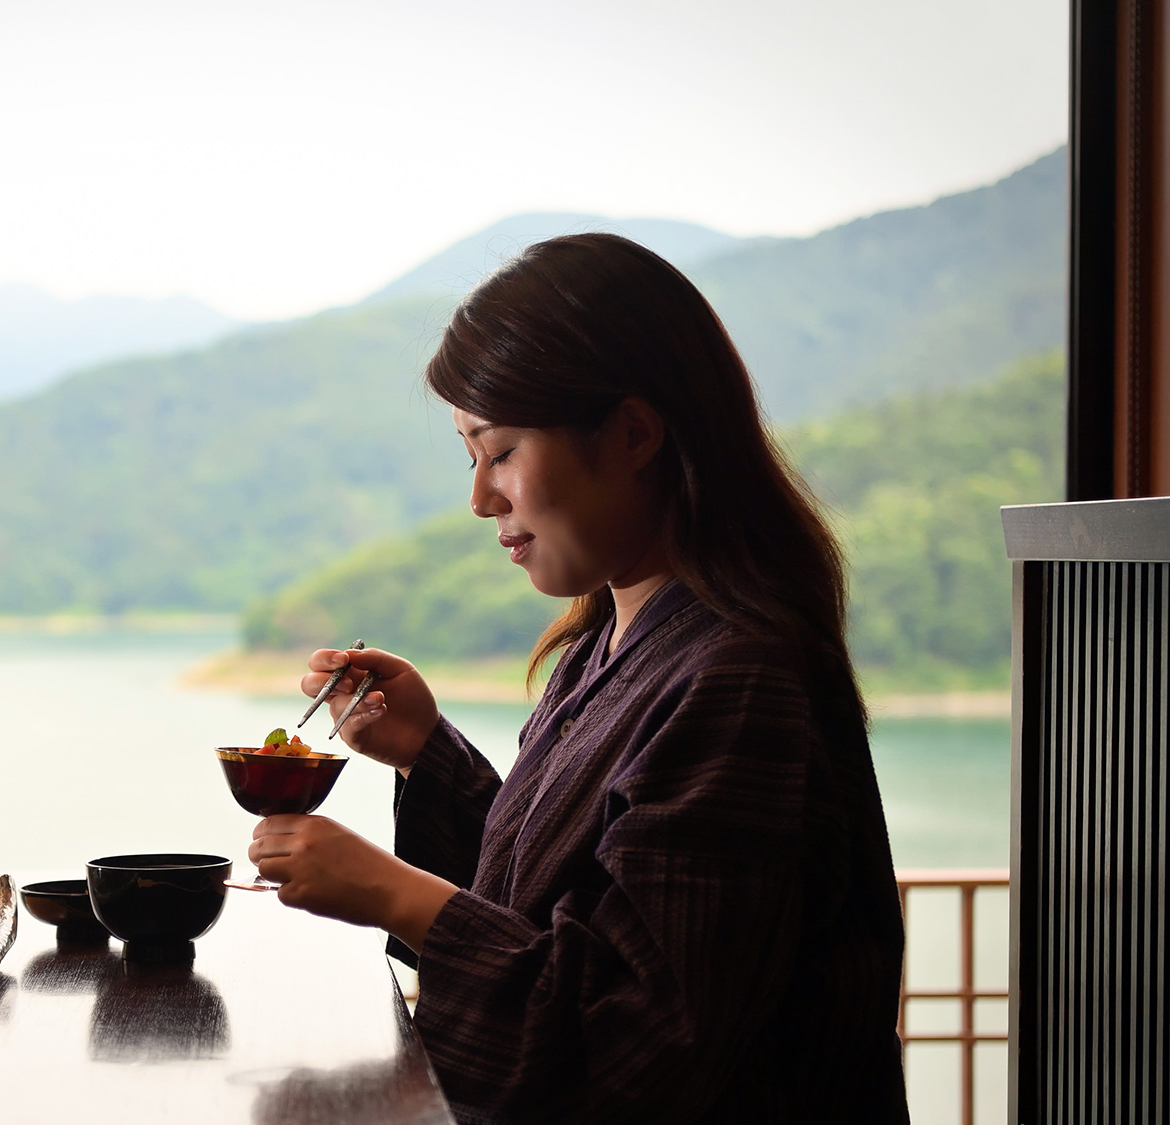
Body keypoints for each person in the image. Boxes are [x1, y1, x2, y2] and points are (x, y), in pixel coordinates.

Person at [248, 233, 908, 1123]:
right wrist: (424, 754)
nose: (481, 496)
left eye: (502, 450)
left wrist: (393, 895)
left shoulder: (739, 678)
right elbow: (560, 909)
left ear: (633, 433)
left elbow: (634, 1049)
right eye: (470, 456)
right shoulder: (612, 638)